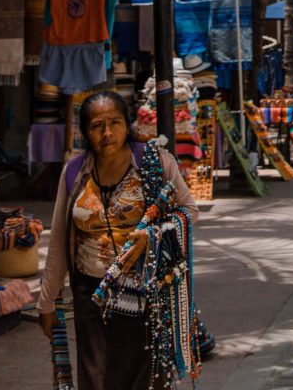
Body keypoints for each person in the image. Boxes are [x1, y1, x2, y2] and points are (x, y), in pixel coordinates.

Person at [38, 91, 200, 389]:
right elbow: (60, 239)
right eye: (97, 125)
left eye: (115, 122)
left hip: (146, 293)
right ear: (85, 132)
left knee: (145, 378)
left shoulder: (155, 162)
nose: (107, 132)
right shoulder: (74, 172)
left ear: (128, 124)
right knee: (96, 377)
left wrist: (151, 237)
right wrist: (47, 302)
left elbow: (189, 211)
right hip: (91, 294)